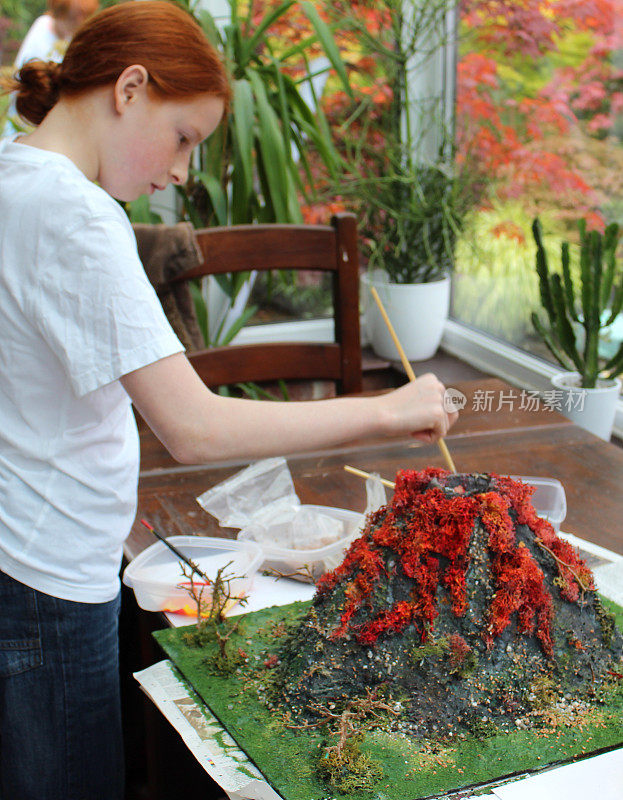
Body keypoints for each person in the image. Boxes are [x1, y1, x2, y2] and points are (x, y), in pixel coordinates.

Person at [0, 1, 458, 797]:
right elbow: (193, 425)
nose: (181, 172)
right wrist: (391, 409)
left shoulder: (17, 177)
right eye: (185, 138)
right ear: (130, 88)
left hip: (31, 553)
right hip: (45, 578)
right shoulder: (73, 213)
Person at [3, 0, 99, 136]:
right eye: (76, 16)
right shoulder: (41, 32)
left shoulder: (73, 37)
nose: (81, 21)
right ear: (59, 14)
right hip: (28, 120)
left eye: (86, 15)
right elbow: (23, 81)